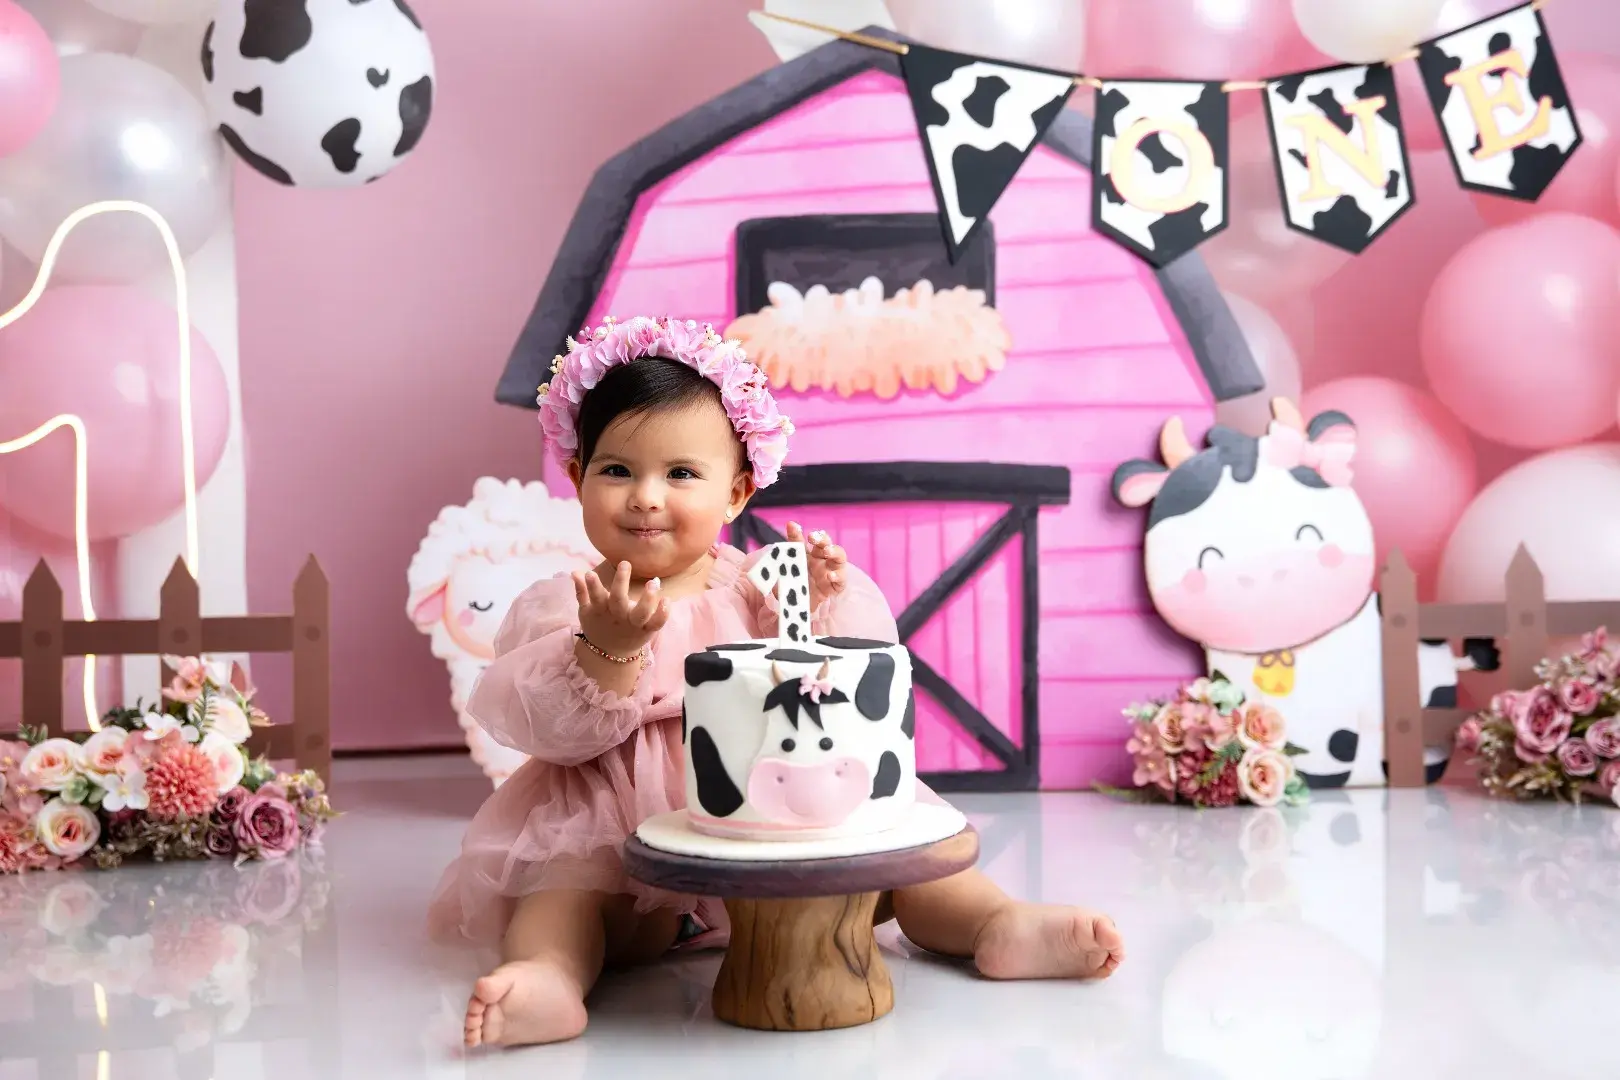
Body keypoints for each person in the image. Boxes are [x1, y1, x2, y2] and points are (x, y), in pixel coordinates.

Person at [429, 316, 1126, 1049]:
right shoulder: (568, 604)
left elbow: (831, 683)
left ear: (736, 493)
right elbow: (551, 731)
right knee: (563, 893)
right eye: (617, 471)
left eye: (681, 473)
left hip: (778, 815)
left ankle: (995, 924)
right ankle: (549, 976)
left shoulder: (763, 586)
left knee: (906, 868)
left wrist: (820, 604)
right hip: (619, 828)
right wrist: (607, 648)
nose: (646, 497)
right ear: (577, 479)